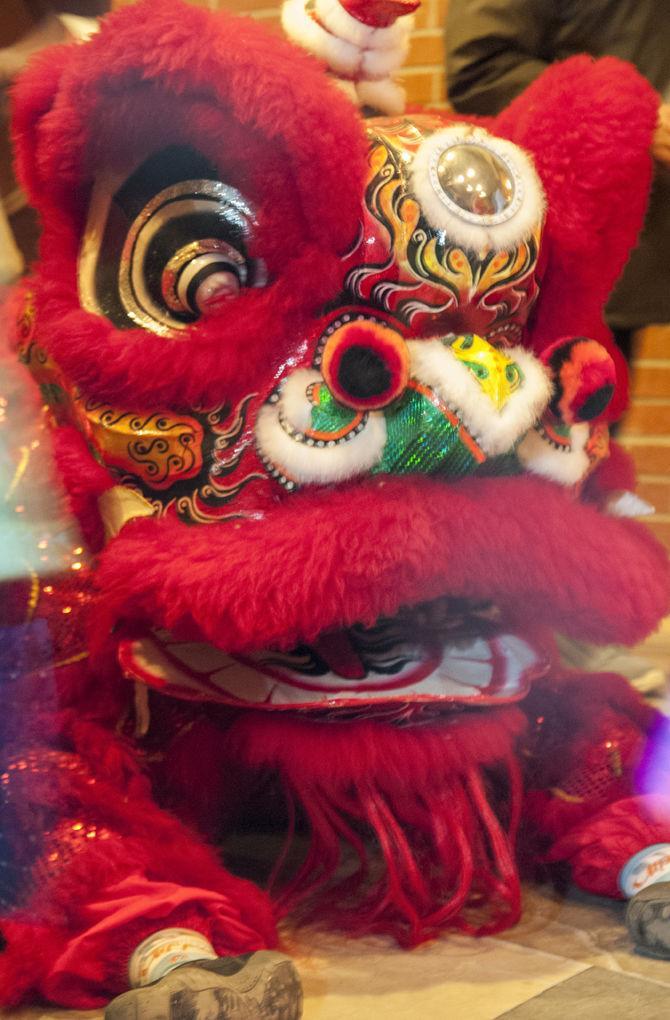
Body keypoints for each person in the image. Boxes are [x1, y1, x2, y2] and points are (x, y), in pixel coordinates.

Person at [445, 0, 670, 362]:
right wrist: (634, 113)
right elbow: (481, 67)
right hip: (570, 243)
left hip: (635, 236)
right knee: (562, 403)